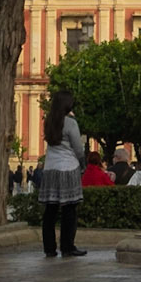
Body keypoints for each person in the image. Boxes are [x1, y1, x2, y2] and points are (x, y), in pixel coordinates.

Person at [37, 89, 89, 260]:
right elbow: (78, 148)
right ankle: (67, 246)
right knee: (69, 209)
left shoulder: (49, 121)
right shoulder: (70, 123)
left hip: (50, 168)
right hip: (68, 167)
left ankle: (49, 248)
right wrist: (82, 164)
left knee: (50, 211)